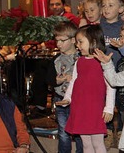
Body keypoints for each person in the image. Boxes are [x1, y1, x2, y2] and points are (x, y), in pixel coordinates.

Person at [56, 25, 115, 152]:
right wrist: (67, 98)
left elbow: (111, 85)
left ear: (93, 41)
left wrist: (109, 108)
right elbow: (73, 82)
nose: (78, 45)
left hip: (95, 109)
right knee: (86, 144)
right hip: (80, 107)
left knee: (98, 143)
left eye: (81, 42)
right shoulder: (79, 61)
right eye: (77, 42)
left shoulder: (103, 61)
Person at [46, 22, 83, 153]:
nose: (59, 44)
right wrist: (57, 80)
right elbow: (49, 80)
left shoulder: (81, 57)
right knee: (63, 132)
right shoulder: (56, 59)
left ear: (73, 40)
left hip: (78, 100)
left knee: (79, 132)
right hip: (61, 99)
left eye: (62, 40)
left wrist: (74, 79)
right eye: (57, 40)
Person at [100, 0, 124, 67]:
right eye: (104, 5)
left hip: (120, 67)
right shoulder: (98, 28)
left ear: (120, 9)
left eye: (110, 5)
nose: (106, 8)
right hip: (102, 66)